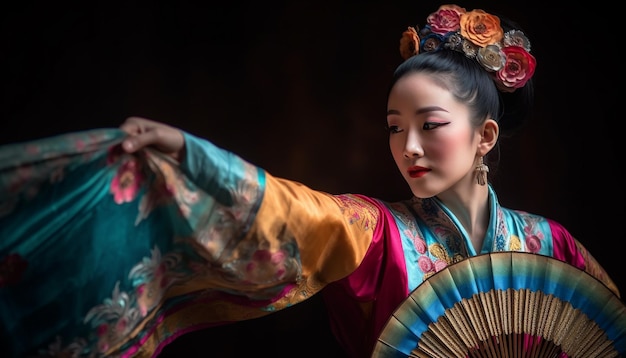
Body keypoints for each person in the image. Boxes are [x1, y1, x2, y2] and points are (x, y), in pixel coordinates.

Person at [0, 4, 621, 358]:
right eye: (393, 126)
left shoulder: (553, 248)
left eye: (430, 125)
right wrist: (186, 155)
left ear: (484, 136)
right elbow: (280, 208)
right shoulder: (377, 234)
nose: (407, 147)